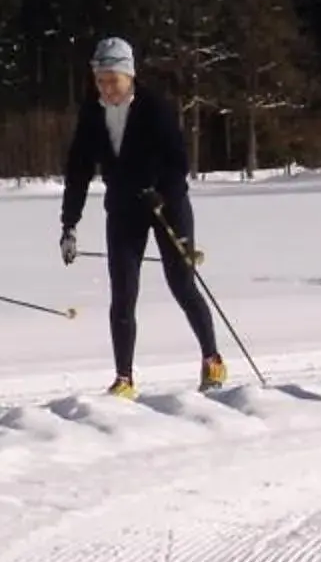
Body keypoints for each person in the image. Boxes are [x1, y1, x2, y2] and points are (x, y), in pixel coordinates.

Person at [59, 37, 225, 398]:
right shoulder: (92, 112)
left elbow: (178, 160)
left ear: (129, 76)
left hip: (167, 205)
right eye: (100, 80)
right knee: (123, 293)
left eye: (112, 79)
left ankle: (212, 359)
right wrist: (69, 223)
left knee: (181, 283)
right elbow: (78, 168)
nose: (106, 87)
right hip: (123, 208)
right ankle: (124, 378)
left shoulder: (154, 107)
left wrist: (160, 190)